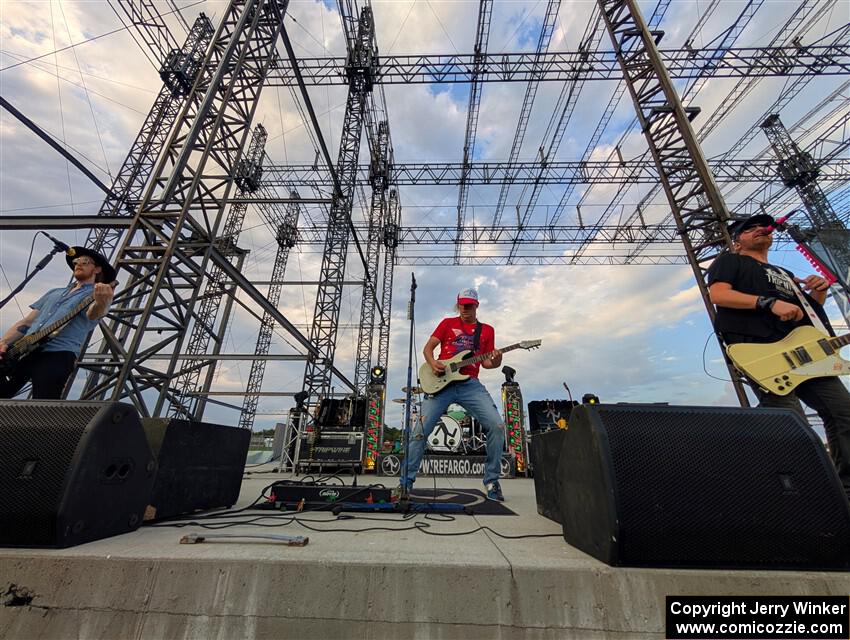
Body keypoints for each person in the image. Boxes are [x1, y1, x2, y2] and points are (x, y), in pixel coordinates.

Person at [707, 213, 850, 496]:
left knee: (844, 412)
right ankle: (799, 494)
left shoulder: (785, 274)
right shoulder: (731, 261)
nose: (760, 229)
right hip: (764, 352)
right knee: (790, 423)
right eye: (749, 229)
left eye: (763, 227)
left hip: (809, 356)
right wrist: (766, 303)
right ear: (737, 242)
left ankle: (844, 491)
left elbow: (809, 318)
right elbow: (719, 295)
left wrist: (818, 293)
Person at [399, 287, 507, 501]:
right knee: (419, 431)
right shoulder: (448, 323)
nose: (464, 309)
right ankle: (405, 483)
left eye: (468, 306)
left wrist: (497, 359)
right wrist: (433, 363)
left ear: (477, 306)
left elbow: (487, 363)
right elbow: (428, 348)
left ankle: (492, 480)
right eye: (461, 305)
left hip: (470, 384)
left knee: (497, 425)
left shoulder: (486, 330)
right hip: (441, 383)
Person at [0, 246, 116, 399]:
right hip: (24, 351)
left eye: (85, 261)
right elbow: (27, 322)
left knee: (43, 404)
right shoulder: (54, 292)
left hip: (59, 354)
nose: (78, 264)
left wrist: (102, 303)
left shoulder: (95, 294)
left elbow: (94, 314)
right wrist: (4, 343)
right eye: (76, 261)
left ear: (97, 269)